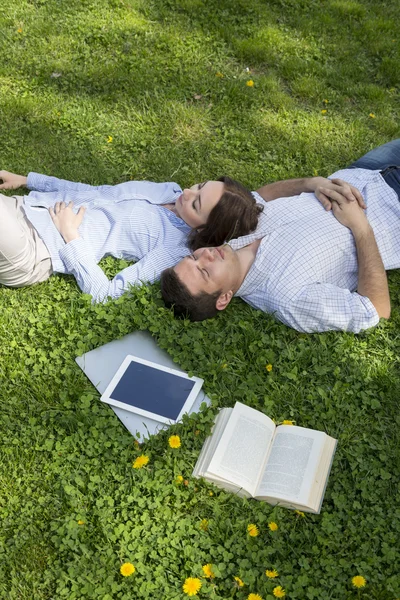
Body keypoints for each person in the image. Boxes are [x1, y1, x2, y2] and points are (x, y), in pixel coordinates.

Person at [0, 169, 351, 302]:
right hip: (26, 208)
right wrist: (31, 181)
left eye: (197, 203)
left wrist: (71, 238)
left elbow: (107, 294)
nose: (187, 192)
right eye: (199, 186)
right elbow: (99, 190)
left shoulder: (173, 250)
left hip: (36, 249)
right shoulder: (167, 189)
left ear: (204, 229)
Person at [160, 139, 400, 334]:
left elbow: (260, 196)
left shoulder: (232, 235)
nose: (207, 256)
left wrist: (311, 183)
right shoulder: (289, 298)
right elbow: (375, 310)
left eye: (194, 258)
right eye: (204, 271)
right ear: (223, 299)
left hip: (364, 171)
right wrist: (360, 227)